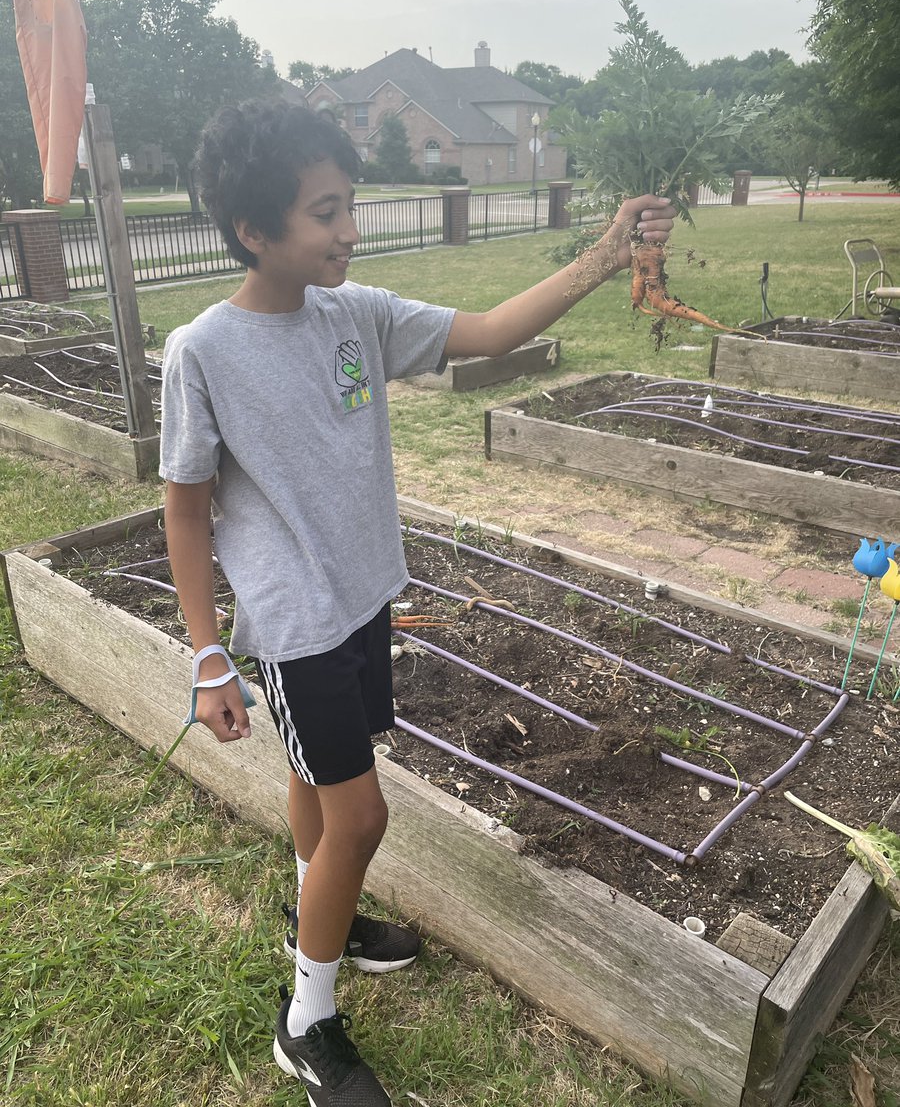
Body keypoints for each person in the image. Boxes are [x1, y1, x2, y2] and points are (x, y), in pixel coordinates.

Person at [159, 96, 675, 1107]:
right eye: (323, 213)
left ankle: (329, 917)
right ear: (254, 231)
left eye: (349, 204)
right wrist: (208, 653)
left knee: (319, 789)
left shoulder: (358, 316)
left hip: (361, 604)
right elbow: (183, 512)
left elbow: (487, 331)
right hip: (295, 626)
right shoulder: (203, 353)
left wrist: (606, 256)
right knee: (361, 817)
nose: (349, 230)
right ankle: (307, 1022)